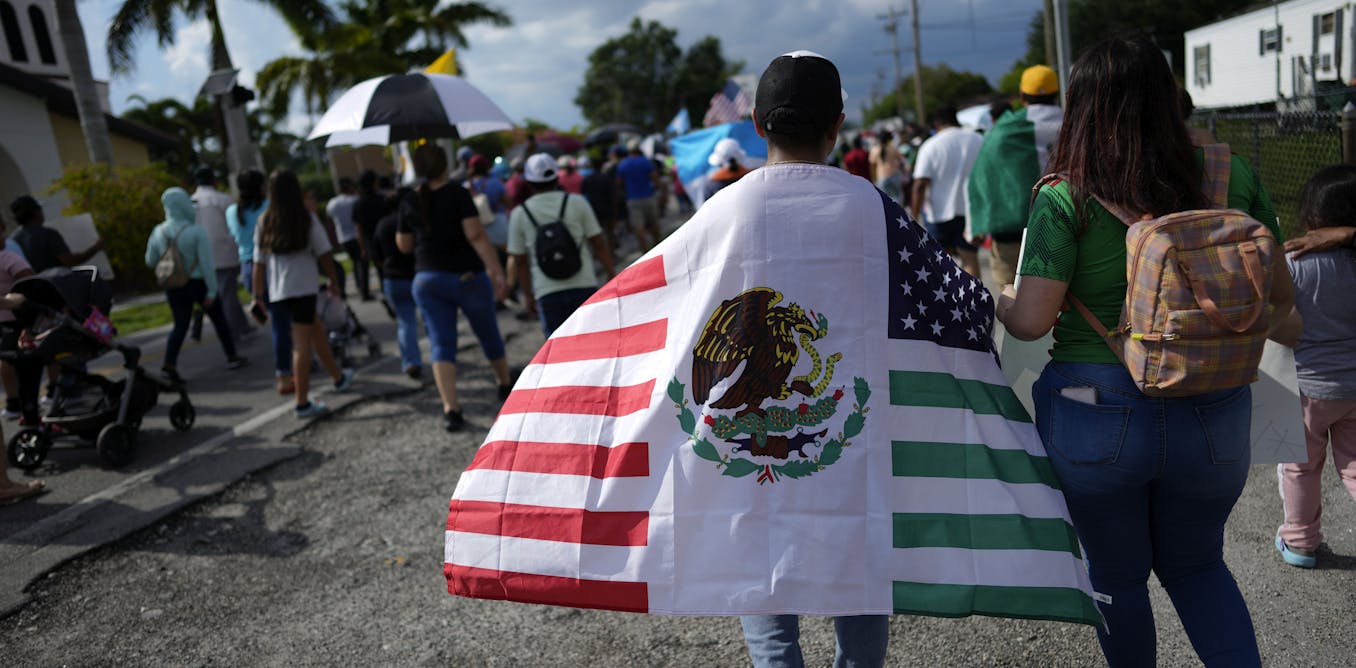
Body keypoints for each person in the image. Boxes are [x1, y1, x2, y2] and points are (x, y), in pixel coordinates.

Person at [995, 37, 1295, 667]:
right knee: (1198, 566)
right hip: (1213, 406)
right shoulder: (1229, 174)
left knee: (1116, 574)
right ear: (1168, 98)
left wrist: (1001, 295)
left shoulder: (1064, 195)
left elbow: (1030, 322)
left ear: (1084, 107)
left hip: (1092, 408)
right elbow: (1280, 300)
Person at [732, 50, 889, 668]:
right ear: (838, 125)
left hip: (749, 437)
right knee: (859, 554)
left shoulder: (725, 210)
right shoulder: (873, 208)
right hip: (852, 424)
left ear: (757, 125)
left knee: (761, 559)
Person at [1270, 164, 1356, 569]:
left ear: (1311, 215)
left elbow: (1276, 316)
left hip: (1308, 385)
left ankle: (1301, 542)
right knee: (1354, 466)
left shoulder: (1295, 264)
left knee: (1300, 466)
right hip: (1353, 385)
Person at [396, 144, 511, 432]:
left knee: (441, 343)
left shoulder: (409, 199)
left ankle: (451, 408)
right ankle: (504, 384)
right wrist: (496, 271)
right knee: (487, 332)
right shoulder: (458, 194)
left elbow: (404, 245)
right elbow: (475, 234)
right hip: (466, 276)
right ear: (445, 165)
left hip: (426, 279)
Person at [250, 170, 355, 418]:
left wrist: (257, 296)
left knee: (316, 331)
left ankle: (338, 378)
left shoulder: (265, 220)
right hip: (303, 289)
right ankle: (302, 403)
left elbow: (258, 264)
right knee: (302, 346)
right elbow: (325, 253)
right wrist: (333, 279)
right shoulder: (305, 218)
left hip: (278, 292)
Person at [966, 64, 1064, 286]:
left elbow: (981, 177)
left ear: (1022, 96)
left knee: (1011, 292)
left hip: (1014, 229)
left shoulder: (1004, 130)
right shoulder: (1075, 122)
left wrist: (977, 223)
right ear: (1057, 94)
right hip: (1066, 225)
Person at [144, 188, 248, 380]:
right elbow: (207, 264)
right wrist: (212, 291)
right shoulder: (196, 231)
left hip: (173, 285)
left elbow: (150, 261)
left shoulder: (158, 232)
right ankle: (232, 356)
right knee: (219, 320)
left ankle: (169, 364)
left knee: (180, 326)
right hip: (198, 284)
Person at [507, 154, 615, 336]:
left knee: (559, 356)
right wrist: (611, 273)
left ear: (529, 182)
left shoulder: (520, 213)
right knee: (594, 346)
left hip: (546, 291)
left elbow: (520, 261)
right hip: (584, 284)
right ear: (557, 177)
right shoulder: (577, 202)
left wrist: (528, 294)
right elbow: (598, 243)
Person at [228, 169, 292, 394]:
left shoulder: (232, 212)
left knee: (278, 320)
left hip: (247, 269)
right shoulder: (269, 207)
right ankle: (288, 367)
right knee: (285, 321)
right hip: (269, 265)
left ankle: (289, 365)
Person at [910, 104, 984, 278]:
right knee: (970, 260)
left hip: (938, 214)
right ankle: (972, 302)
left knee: (941, 264)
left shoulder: (930, 146)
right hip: (970, 211)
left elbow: (920, 185)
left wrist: (914, 217)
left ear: (937, 123)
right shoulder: (977, 139)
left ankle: (949, 304)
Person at [191, 166, 253, 341]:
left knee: (224, 293)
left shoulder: (191, 202)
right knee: (227, 294)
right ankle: (232, 333)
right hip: (226, 254)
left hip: (202, 258)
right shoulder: (222, 199)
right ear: (213, 180)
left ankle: (243, 326)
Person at [369, 192, 423, 379]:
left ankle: (411, 361)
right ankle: (445, 356)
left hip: (393, 278)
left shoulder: (381, 225)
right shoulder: (412, 220)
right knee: (431, 319)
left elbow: (375, 255)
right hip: (416, 275)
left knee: (405, 322)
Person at [9, 195, 102, 273]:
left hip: (33, 292)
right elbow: (69, 261)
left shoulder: (12, 241)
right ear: (36, 212)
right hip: (58, 288)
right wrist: (95, 248)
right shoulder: (48, 234)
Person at [0, 242, 33, 420]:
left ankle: (15, 403)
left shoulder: (8, 258)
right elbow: (32, 284)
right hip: (17, 321)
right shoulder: (7, 257)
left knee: (8, 359)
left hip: (9, 322)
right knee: (19, 363)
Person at [327, 177, 370, 301]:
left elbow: (330, 218)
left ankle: (359, 285)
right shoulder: (355, 200)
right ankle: (363, 289)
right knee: (362, 263)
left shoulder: (332, 203)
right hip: (356, 236)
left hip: (343, 237)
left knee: (355, 262)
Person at [352, 170, 392, 298]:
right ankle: (389, 294)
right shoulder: (383, 200)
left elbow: (358, 229)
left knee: (380, 270)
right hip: (386, 239)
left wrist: (362, 248)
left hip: (370, 242)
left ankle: (386, 294)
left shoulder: (358, 204)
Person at [616, 139, 662, 251]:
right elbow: (655, 178)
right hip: (648, 196)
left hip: (632, 199)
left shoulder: (623, 164)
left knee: (638, 227)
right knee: (654, 223)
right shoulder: (645, 161)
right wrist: (662, 191)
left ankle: (645, 251)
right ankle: (658, 247)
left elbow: (619, 183)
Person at [581, 154, 620, 249]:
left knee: (597, 234)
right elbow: (613, 194)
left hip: (594, 210)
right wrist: (615, 210)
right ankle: (612, 252)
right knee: (610, 232)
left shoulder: (587, 179)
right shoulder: (606, 178)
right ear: (602, 165)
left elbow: (584, 194)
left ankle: (598, 253)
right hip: (608, 209)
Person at [868, 129, 903, 203]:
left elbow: (872, 166)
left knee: (884, 201)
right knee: (898, 197)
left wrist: (874, 179)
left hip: (882, 177)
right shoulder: (892, 148)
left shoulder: (874, 150)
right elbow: (901, 160)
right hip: (894, 175)